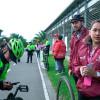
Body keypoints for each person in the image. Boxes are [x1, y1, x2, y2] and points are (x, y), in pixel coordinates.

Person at [73, 19, 100, 100]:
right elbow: (75, 65)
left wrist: (95, 74)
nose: (98, 33)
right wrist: (80, 69)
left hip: (97, 94)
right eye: (94, 30)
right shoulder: (82, 47)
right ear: (90, 32)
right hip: (82, 91)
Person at [68, 14, 89, 82]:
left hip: (85, 70)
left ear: (82, 22)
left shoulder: (89, 34)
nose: (74, 25)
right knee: (78, 89)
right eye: (73, 23)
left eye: (76, 22)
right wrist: (70, 67)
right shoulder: (73, 37)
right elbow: (72, 53)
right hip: (75, 69)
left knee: (87, 90)